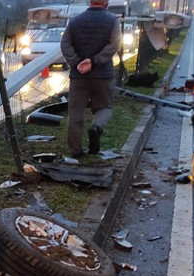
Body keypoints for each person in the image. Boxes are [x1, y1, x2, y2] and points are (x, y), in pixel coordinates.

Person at [60, 0, 120, 158]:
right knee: (105, 108)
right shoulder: (112, 20)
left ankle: (76, 150)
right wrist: (94, 61)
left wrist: (76, 62)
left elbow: (65, 45)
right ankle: (96, 126)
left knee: (75, 112)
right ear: (106, 3)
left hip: (78, 76)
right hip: (103, 75)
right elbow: (114, 45)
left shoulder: (75, 21)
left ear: (89, 2)